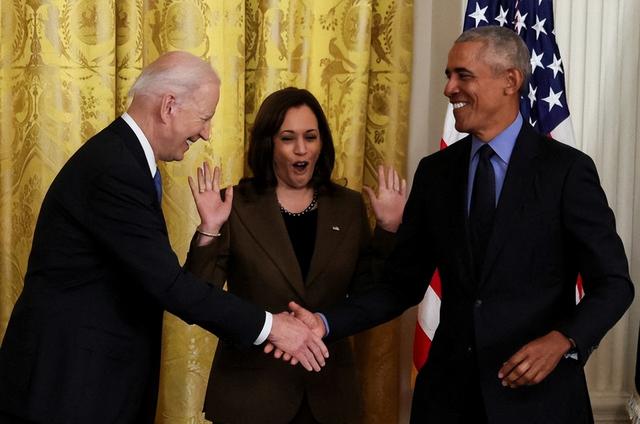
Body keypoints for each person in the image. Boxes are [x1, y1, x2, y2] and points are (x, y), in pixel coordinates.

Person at [284, 26, 635, 423]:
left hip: (539, 403)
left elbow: (614, 284)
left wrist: (563, 340)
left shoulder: (566, 171)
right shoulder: (435, 172)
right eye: (448, 76)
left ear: (510, 81)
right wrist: (325, 322)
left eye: (462, 75)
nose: (449, 88)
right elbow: (400, 285)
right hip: (447, 402)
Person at [0, 52, 328, 424]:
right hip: (67, 388)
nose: (206, 133)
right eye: (204, 117)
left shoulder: (123, 158)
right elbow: (170, 286)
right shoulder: (115, 169)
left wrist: (209, 228)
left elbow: (147, 275)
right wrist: (273, 327)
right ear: (169, 106)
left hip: (88, 385)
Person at [184, 87, 407, 424]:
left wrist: (388, 229)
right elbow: (199, 296)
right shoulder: (234, 203)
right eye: (288, 138)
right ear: (269, 145)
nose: (301, 149)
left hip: (329, 396)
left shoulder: (348, 206)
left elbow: (369, 298)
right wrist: (210, 229)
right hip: (250, 398)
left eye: (310, 137)